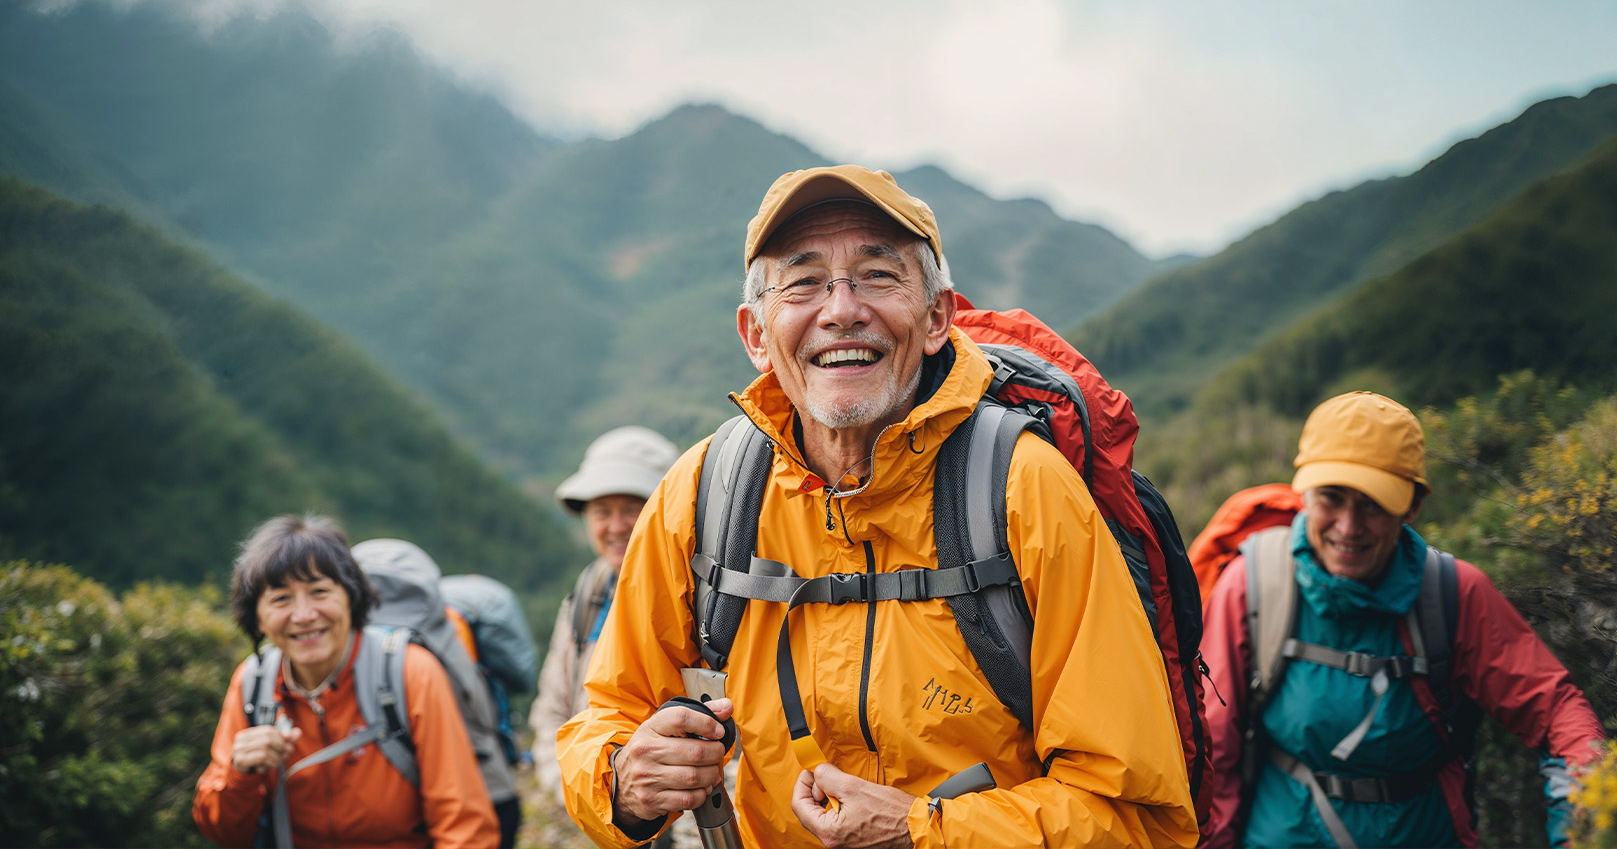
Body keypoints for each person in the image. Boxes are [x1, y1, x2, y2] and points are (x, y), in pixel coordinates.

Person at [556, 165, 1197, 848]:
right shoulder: (705, 491)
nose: (841, 309)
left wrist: (925, 834)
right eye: (803, 282)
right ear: (755, 336)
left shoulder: (1022, 490)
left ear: (936, 318)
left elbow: (1139, 816)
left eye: (878, 276)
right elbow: (607, 712)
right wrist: (623, 782)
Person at [1199, 392, 1607, 849]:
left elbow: (1554, 710)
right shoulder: (1253, 586)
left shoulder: (1453, 595)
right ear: (1304, 493)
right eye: (1331, 499)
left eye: (1372, 504)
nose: (1349, 527)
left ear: (1410, 507)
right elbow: (1216, 750)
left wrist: (1585, 825)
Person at [194, 514, 499, 849]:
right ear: (258, 619)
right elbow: (225, 833)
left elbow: (463, 824)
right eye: (281, 599)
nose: (304, 614)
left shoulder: (410, 672)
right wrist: (241, 776)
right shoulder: (254, 683)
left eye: (319, 592)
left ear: (351, 599)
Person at [530, 425, 677, 806]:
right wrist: (585, 794)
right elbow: (552, 707)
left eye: (632, 509)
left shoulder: (699, 595)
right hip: (608, 819)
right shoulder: (586, 598)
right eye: (601, 511)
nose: (616, 527)